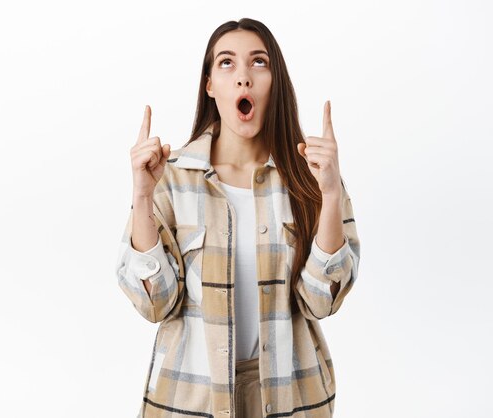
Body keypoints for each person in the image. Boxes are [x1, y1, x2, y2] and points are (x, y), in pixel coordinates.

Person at [116, 17, 361, 418]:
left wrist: (330, 195)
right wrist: (142, 195)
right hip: (190, 399)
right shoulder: (171, 177)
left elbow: (321, 301)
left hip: (291, 398)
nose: (243, 77)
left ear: (275, 81)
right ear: (210, 85)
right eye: (227, 63)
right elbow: (154, 304)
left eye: (259, 63)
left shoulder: (311, 177)